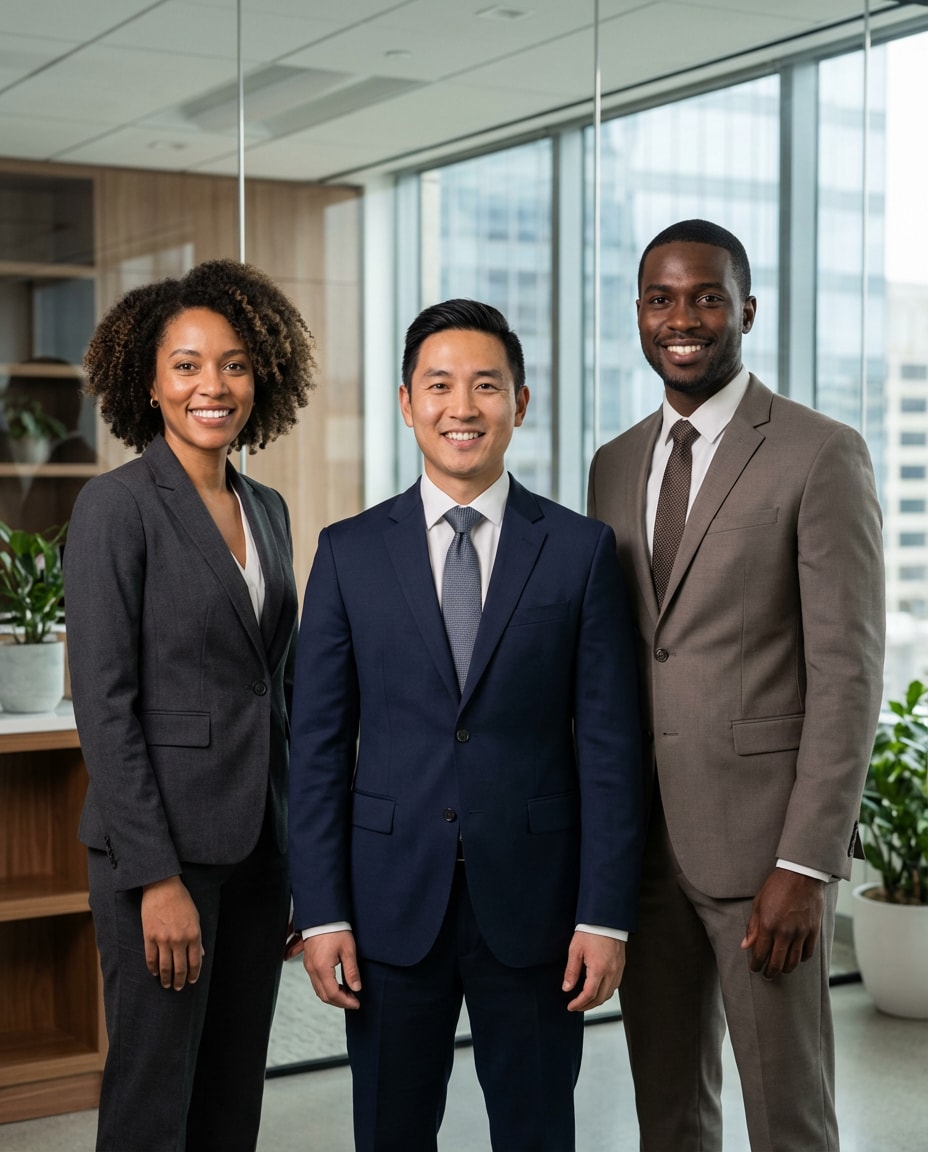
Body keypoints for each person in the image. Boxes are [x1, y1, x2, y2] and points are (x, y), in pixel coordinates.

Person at [288, 298, 643, 1152]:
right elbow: (318, 748)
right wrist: (323, 911)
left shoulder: (580, 550)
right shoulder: (347, 551)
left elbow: (608, 749)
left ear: (519, 403)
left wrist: (604, 916)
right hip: (386, 907)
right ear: (407, 403)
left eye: (486, 385)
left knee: (536, 1132)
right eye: (439, 385)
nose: (462, 406)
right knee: (392, 1131)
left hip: (536, 909)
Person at [587, 219, 885, 1152]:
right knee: (668, 1115)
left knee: (788, 1119)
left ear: (746, 310)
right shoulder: (613, 463)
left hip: (764, 859)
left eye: (707, 296)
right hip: (642, 855)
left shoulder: (817, 453)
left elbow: (848, 672)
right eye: (662, 299)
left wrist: (804, 865)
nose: (684, 318)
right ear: (638, 314)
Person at [64, 259, 316, 1152]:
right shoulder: (114, 509)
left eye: (236, 363)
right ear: (150, 381)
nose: (214, 385)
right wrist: (156, 879)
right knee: (151, 1091)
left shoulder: (270, 508)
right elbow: (104, 705)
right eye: (188, 365)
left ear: (263, 377)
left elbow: (274, 688)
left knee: (231, 1090)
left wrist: (297, 855)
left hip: (258, 849)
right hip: (161, 855)